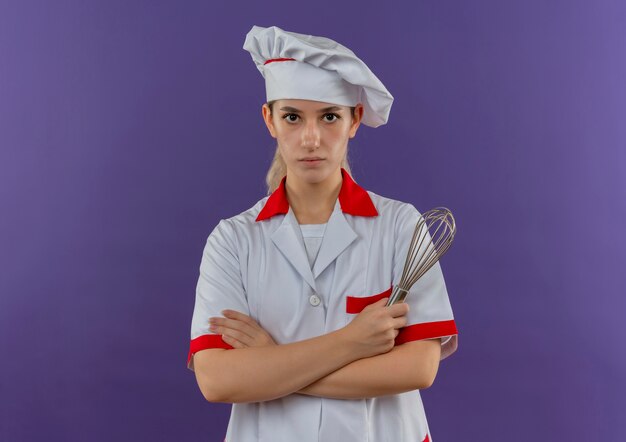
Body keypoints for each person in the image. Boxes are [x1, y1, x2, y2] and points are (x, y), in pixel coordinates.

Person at [187, 25, 459, 442]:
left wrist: (270, 364)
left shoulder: (401, 226)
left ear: (355, 120)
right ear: (270, 120)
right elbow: (217, 380)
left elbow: (418, 368)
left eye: (329, 116)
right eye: (292, 117)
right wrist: (353, 341)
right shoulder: (232, 241)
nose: (311, 138)